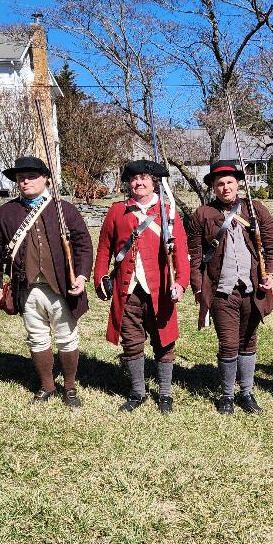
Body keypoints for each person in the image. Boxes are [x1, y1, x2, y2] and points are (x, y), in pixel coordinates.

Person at [0, 155, 93, 406]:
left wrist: (82, 276)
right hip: (27, 288)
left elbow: (84, 246)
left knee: (67, 337)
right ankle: (46, 386)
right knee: (37, 337)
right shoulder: (6, 212)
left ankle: (69, 387)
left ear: (45, 179)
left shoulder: (64, 209)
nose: (25, 182)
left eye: (31, 176)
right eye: (21, 178)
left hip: (61, 287)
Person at [186, 160, 273, 414]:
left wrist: (271, 274)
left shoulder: (255, 209)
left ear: (237, 184)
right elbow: (195, 255)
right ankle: (227, 394)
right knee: (228, 343)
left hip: (253, 289)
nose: (225, 187)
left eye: (229, 182)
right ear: (213, 188)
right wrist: (198, 287)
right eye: (220, 183)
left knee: (248, 341)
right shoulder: (202, 215)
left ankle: (247, 393)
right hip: (221, 291)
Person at [93, 159, 189, 414]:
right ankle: (137, 392)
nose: (139, 182)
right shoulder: (116, 211)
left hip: (160, 289)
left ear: (153, 182)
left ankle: (165, 394)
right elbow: (104, 248)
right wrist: (100, 276)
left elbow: (181, 253)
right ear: (129, 183)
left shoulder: (168, 212)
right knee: (132, 340)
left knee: (164, 341)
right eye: (134, 179)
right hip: (128, 289)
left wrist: (180, 283)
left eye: (144, 178)